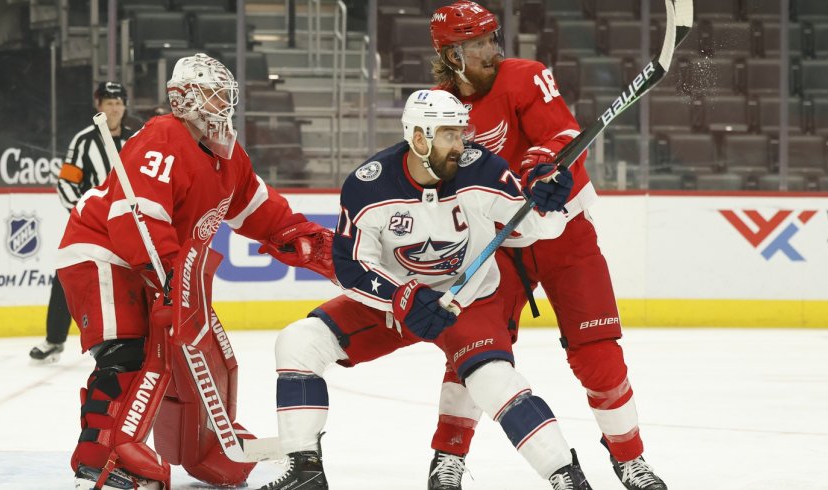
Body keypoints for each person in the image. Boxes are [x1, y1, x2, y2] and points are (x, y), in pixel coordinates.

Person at [258, 89, 594, 490]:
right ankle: (305, 472)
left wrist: (550, 203)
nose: (462, 144)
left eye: (461, 133)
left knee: (493, 380)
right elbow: (352, 267)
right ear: (419, 137)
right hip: (395, 301)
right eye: (450, 135)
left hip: (466, 301)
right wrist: (401, 296)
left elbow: (536, 228)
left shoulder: (482, 171)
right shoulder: (369, 186)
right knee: (299, 342)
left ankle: (566, 475)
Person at [54, 53, 336, 489]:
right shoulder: (163, 136)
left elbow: (262, 212)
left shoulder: (229, 158)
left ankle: (205, 445)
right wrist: (169, 271)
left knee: (177, 351)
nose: (222, 101)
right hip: (104, 253)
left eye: (226, 92)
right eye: (211, 92)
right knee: (126, 353)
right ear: (183, 97)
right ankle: (101, 461)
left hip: (154, 267)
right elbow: (136, 219)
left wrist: (309, 240)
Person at [424, 3, 667, 490]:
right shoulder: (437, 106)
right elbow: (438, 174)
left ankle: (629, 458)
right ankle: (448, 456)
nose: (491, 52)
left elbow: (561, 135)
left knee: (599, 354)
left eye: (493, 40)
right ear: (451, 56)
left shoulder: (526, 77)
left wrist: (541, 167)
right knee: (473, 350)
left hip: (564, 233)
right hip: (498, 247)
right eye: (477, 45)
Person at [29, 81, 134, 364]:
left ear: (125, 106)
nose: (114, 108)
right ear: (98, 106)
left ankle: (141, 339)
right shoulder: (83, 141)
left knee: (139, 278)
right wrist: (83, 215)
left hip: (129, 224)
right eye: (109, 103)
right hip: (92, 227)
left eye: (118, 103)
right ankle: (54, 340)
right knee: (68, 275)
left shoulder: (136, 140)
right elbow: (66, 183)